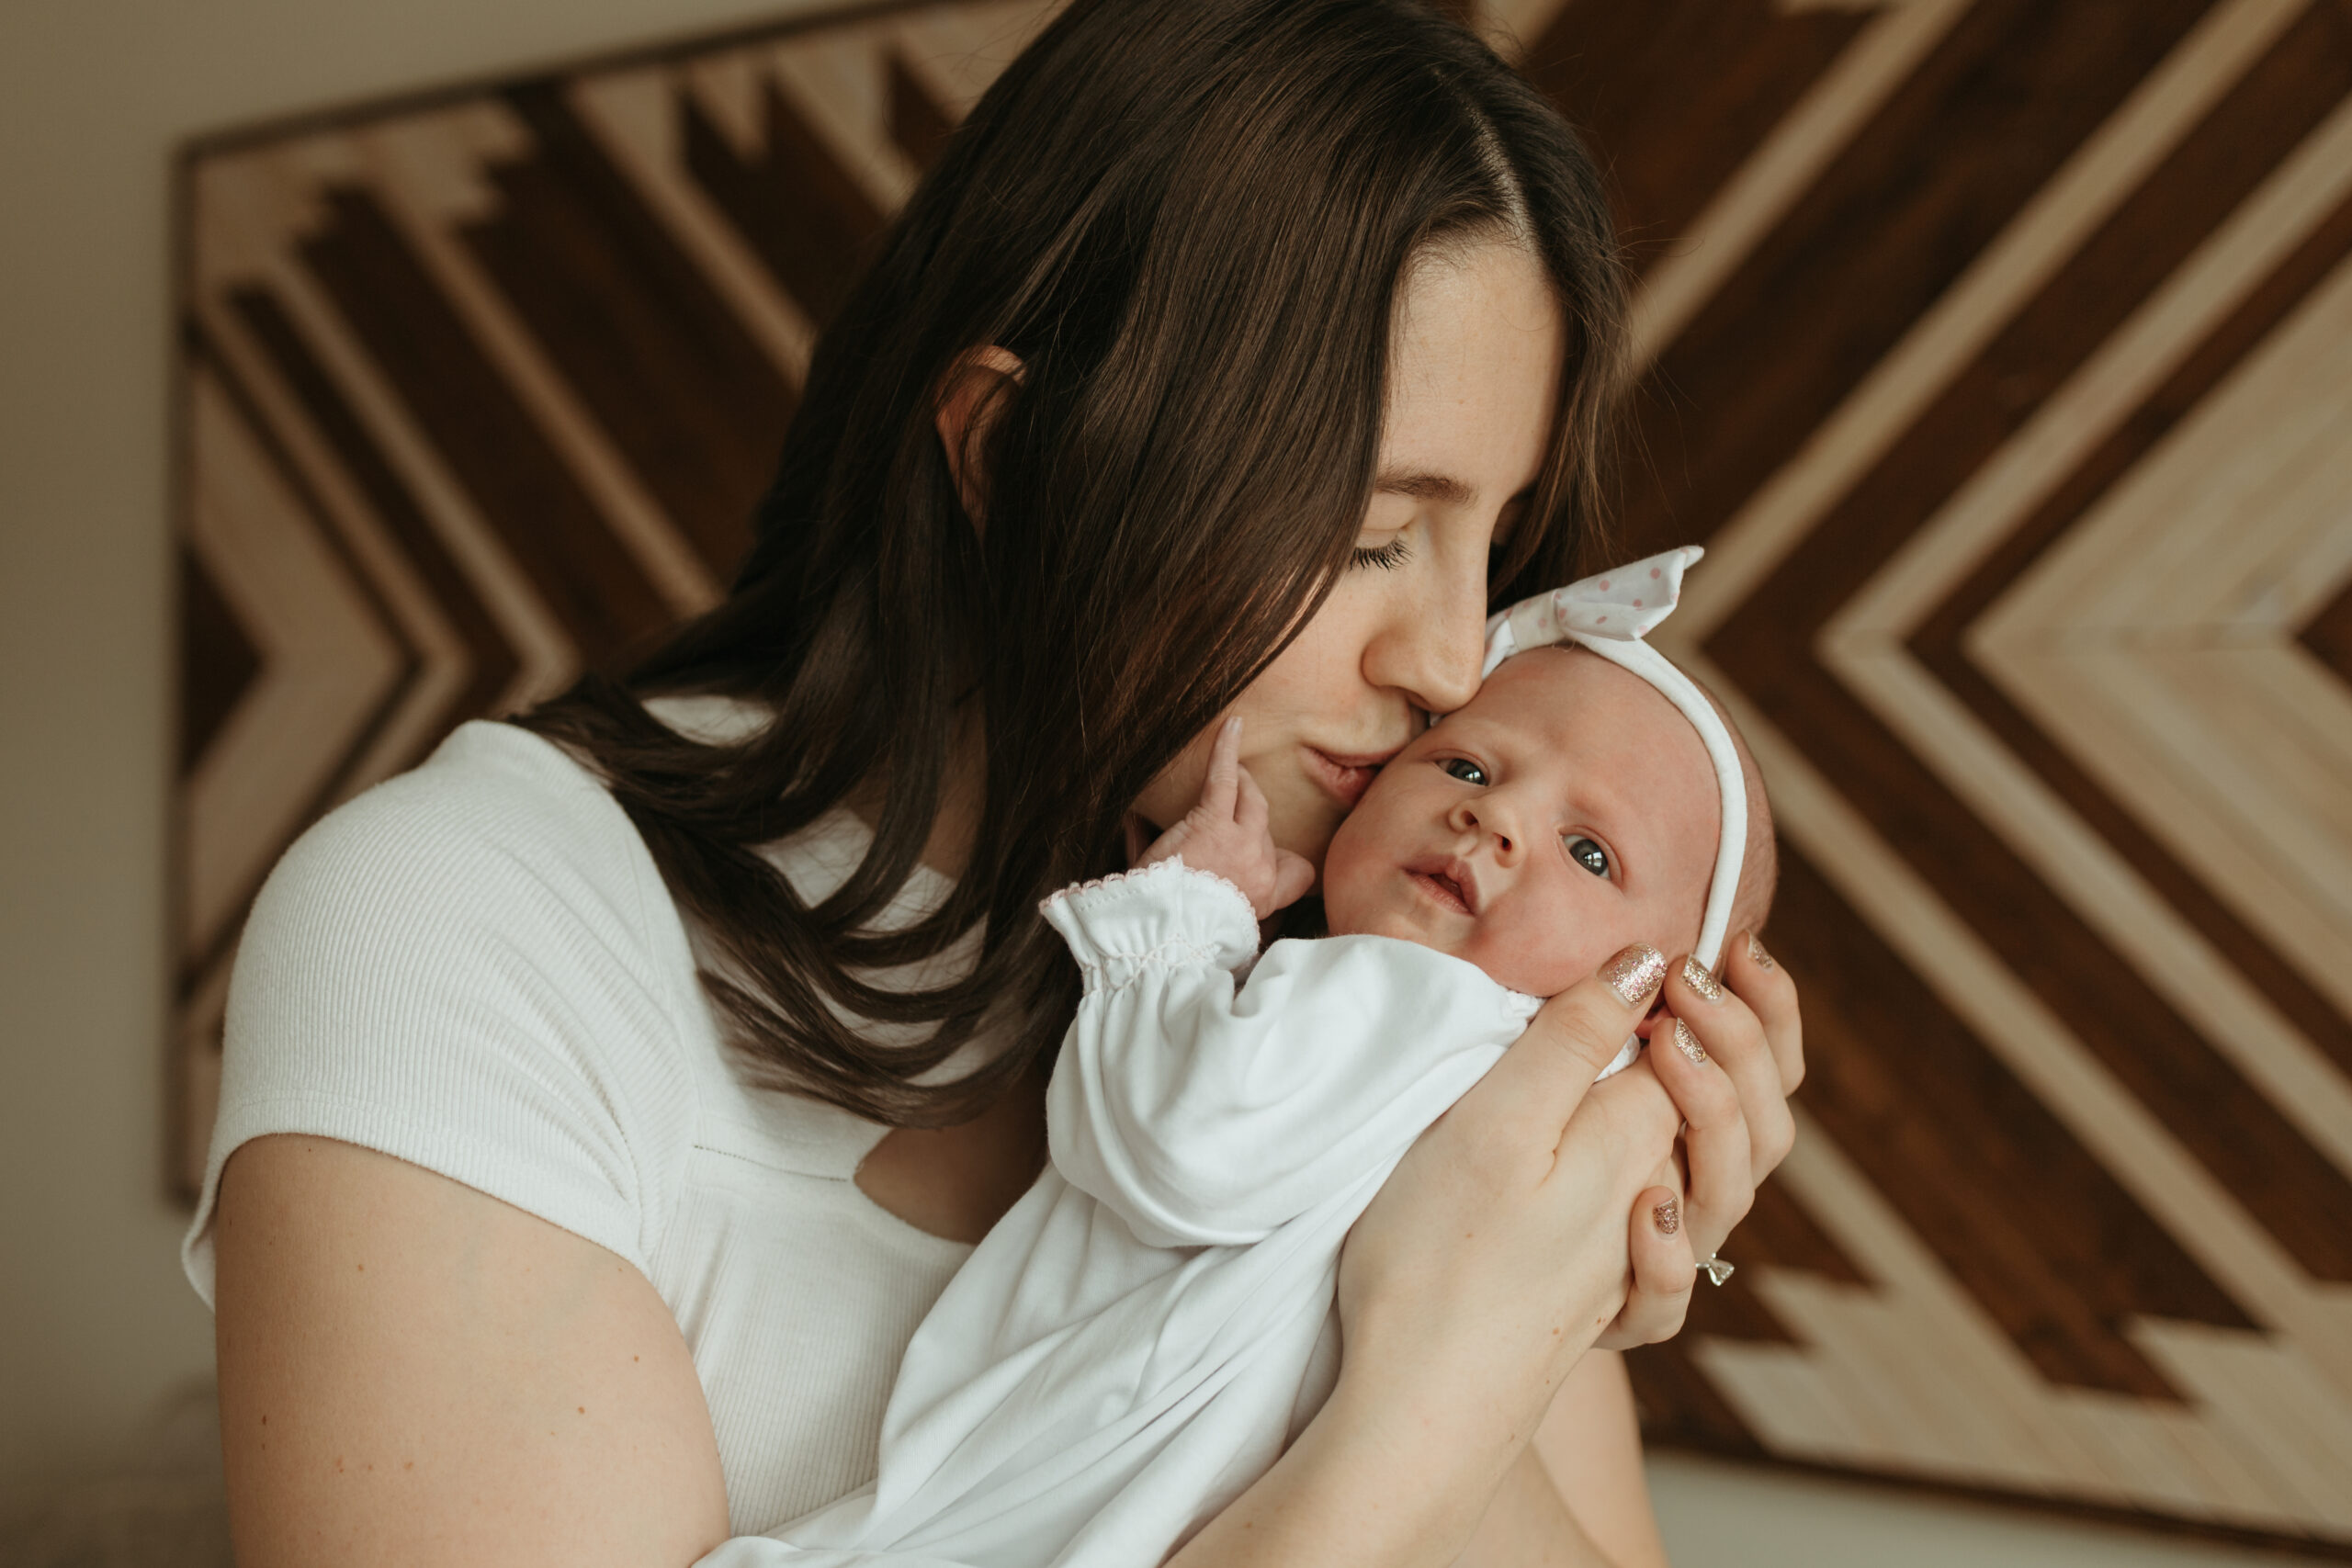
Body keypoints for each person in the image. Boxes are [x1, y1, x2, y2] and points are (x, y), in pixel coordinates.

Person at [190, 3, 1805, 1565]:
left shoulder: (1400, 969)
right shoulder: (473, 924)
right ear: (1008, 452)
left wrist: (1528, 1283)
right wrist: (1437, 1399)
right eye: (1375, 534)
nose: (1454, 660)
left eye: (1496, 546)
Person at [747, 548, 1777, 1568]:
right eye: (1465, 765)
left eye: (1590, 852)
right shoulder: (1549, 1166)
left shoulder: (1415, 1002)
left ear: (1665, 994)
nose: (1494, 816)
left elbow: (1175, 1143)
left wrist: (1178, 916)